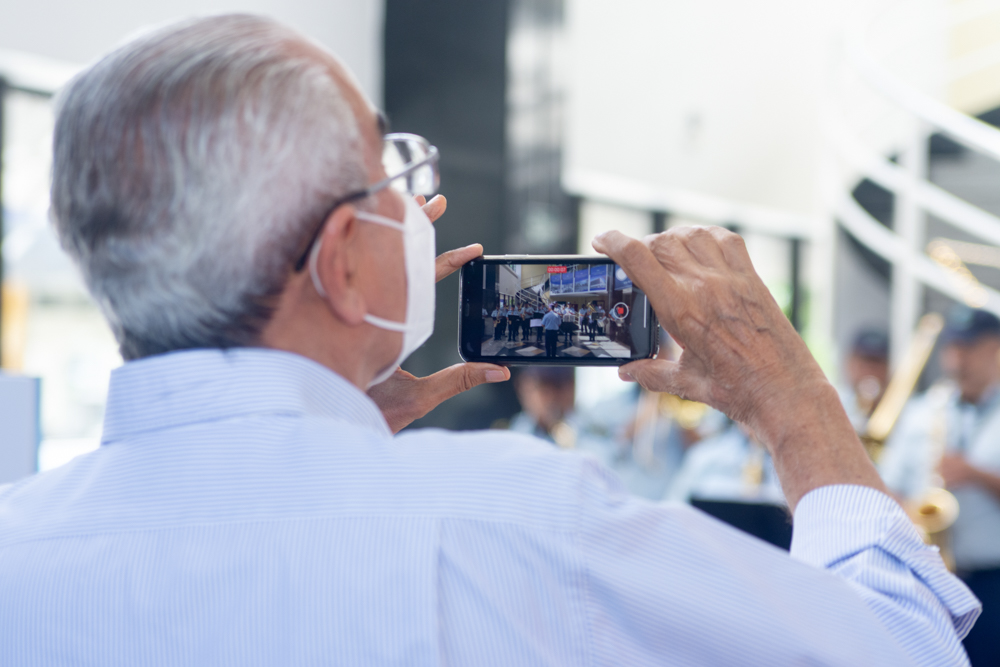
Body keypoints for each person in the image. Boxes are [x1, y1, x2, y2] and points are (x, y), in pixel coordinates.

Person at [0, 15, 979, 665]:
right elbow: (894, 650)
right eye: (387, 176)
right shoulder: (508, 519)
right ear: (341, 262)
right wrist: (794, 402)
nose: (419, 205)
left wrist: (332, 422)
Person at [880, 306, 1000, 665]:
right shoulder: (922, 411)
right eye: (952, 349)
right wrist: (913, 517)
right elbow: (889, 486)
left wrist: (975, 475)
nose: (956, 360)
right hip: (929, 582)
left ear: (995, 349)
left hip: (992, 581)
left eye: (969, 349)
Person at [838, 328, 890, 433]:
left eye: (876, 363)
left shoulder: (909, 413)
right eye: (863, 363)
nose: (869, 371)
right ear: (850, 364)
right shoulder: (836, 404)